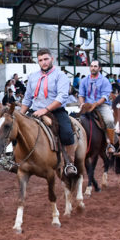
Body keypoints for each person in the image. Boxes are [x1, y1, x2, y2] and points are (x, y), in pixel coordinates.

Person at [20, 48, 78, 176]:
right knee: (18, 129)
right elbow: (27, 98)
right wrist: (20, 115)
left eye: (46, 59)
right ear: (38, 62)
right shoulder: (33, 77)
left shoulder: (60, 75)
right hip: (35, 112)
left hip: (55, 111)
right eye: (40, 60)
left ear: (52, 59)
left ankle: (69, 162)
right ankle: (17, 159)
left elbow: (62, 96)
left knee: (67, 133)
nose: (44, 62)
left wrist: (45, 110)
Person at [78, 60, 116, 154]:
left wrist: (95, 104)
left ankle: (110, 143)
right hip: (87, 105)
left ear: (99, 68)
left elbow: (105, 96)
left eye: (95, 66)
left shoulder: (104, 80)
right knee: (76, 119)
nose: (93, 68)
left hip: (101, 105)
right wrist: (82, 104)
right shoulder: (84, 80)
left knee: (110, 120)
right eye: (91, 66)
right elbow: (81, 95)